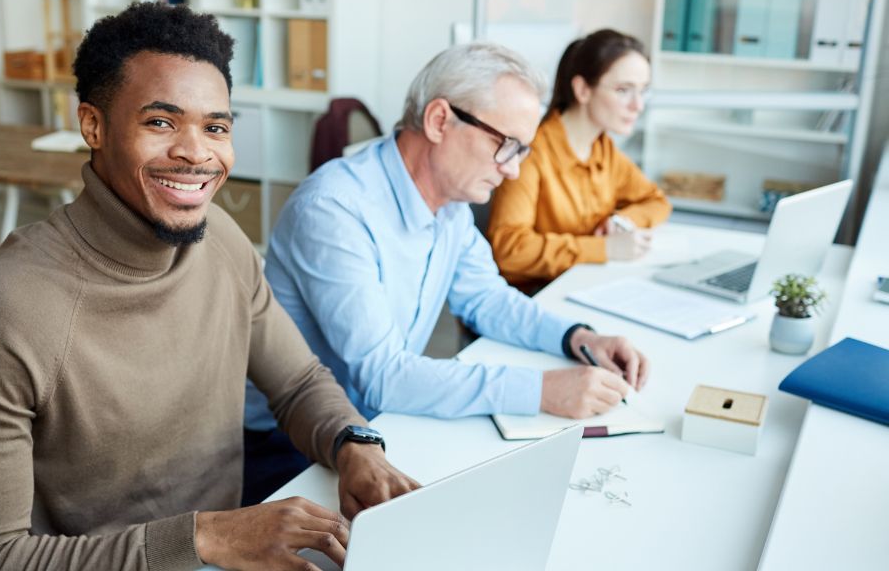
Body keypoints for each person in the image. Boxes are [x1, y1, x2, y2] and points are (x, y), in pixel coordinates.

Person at [0, 2, 417, 571]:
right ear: (93, 125)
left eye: (216, 127)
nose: (196, 153)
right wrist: (204, 538)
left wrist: (353, 443)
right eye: (161, 122)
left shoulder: (223, 241)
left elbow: (299, 381)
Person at [242, 42, 652, 498]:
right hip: (288, 448)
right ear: (440, 121)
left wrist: (578, 336)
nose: (513, 171)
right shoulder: (334, 209)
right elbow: (383, 378)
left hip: (375, 425)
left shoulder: (450, 202)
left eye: (523, 152)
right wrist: (541, 390)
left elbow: (486, 299)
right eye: (507, 146)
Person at [487, 29, 672, 292]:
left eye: (643, 91)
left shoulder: (602, 150)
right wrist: (603, 248)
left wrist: (623, 221)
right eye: (623, 90)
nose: (638, 105)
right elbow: (510, 250)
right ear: (583, 89)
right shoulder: (533, 153)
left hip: (583, 285)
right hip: (535, 298)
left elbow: (657, 201)